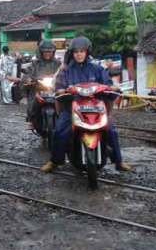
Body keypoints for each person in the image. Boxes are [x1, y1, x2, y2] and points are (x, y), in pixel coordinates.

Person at [40, 36, 131, 173]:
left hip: (95, 106)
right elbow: (59, 86)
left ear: (87, 52)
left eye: (82, 51)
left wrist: (112, 87)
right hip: (72, 107)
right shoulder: (66, 70)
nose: (79, 54)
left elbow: (108, 83)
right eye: (76, 52)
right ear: (72, 53)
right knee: (60, 131)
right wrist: (61, 89)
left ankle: (118, 161)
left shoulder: (97, 68)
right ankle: (55, 161)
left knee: (111, 129)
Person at [23, 39, 61, 129]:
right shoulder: (35, 63)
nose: (47, 53)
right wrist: (28, 79)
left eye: (50, 51)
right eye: (45, 51)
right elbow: (28, 73)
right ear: (41, 52)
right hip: (38, 88)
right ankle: (31, 118)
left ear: (53, 52)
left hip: (54, 89)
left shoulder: (58, 64)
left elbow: (64, 73)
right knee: (32, 96)